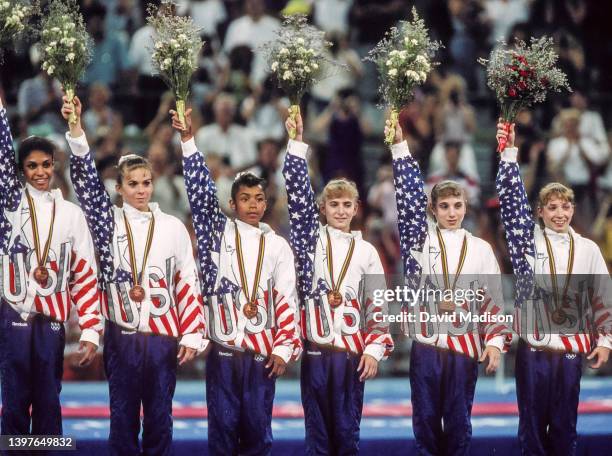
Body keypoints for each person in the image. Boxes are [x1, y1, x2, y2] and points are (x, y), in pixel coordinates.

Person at [62, 96, 206, 455]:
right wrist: (77, 130)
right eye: (134, 184)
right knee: (122, 419)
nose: (141, 190)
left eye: (146, 183)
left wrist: (192, 331)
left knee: (160, 419)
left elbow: (187, 280)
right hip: (122, 335)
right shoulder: (107, 221)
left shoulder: (172, 226)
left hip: (161, 336)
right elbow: (85, 184)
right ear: (120, 188)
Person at [171, 107, 301, 455]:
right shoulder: (217, 233)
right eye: (245, 199)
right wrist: (188, 141)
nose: (253, 205)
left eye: (259, 198)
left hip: (261, 352)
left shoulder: (277, 245)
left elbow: (286, 298)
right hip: (225, 351)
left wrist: (284, 346)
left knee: (258, 432)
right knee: (223, 431)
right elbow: (199, 194)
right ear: (232, 203)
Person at [388, 119, 511, 455]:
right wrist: (400, 147)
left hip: (464, 348)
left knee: (459, 425)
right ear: (433, 210)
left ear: (465, 207)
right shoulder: (421, 241)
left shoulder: (481, 249)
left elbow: (493, 302)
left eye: (457, 206)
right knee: (425, 423)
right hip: (427, 347)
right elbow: (408, 199)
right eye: (444, 206)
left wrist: (496, 342)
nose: (452, 212)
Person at [496, 121, 611, 455]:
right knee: (531, 434)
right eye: (552, 207)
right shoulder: (526, 242)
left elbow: (605, 299)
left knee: (565, 431)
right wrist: (509, 153)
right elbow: (510, 201)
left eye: (565, 206)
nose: (560, 213)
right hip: (534, 352)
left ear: (573, 209)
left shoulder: (588, 249)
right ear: (540, 212)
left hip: (571, 353)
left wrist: (605, 342)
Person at [282, 111, 394, 455]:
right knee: (317, 435)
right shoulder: (309, 241)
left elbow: (378, 303)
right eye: (334, 205)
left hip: (350, 354)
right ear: (322, 208)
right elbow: (297, 197)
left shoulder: (366, 251)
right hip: (316, 351)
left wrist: (374, 349)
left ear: (358, 208)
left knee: (347, 435)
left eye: (347, 205)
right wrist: (297, 144)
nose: (341, 211)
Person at [0, 95, 102, 437]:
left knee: (48, 400)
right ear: (20, 170)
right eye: (32, 166)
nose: (40, 172)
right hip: (14, 313)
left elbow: (85, 275)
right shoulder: (10, 206)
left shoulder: (72, 215)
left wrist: (89, 329)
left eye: (46, 164)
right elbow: (1, 148)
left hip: (53, 321)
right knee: (13, 401)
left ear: (55, 164)